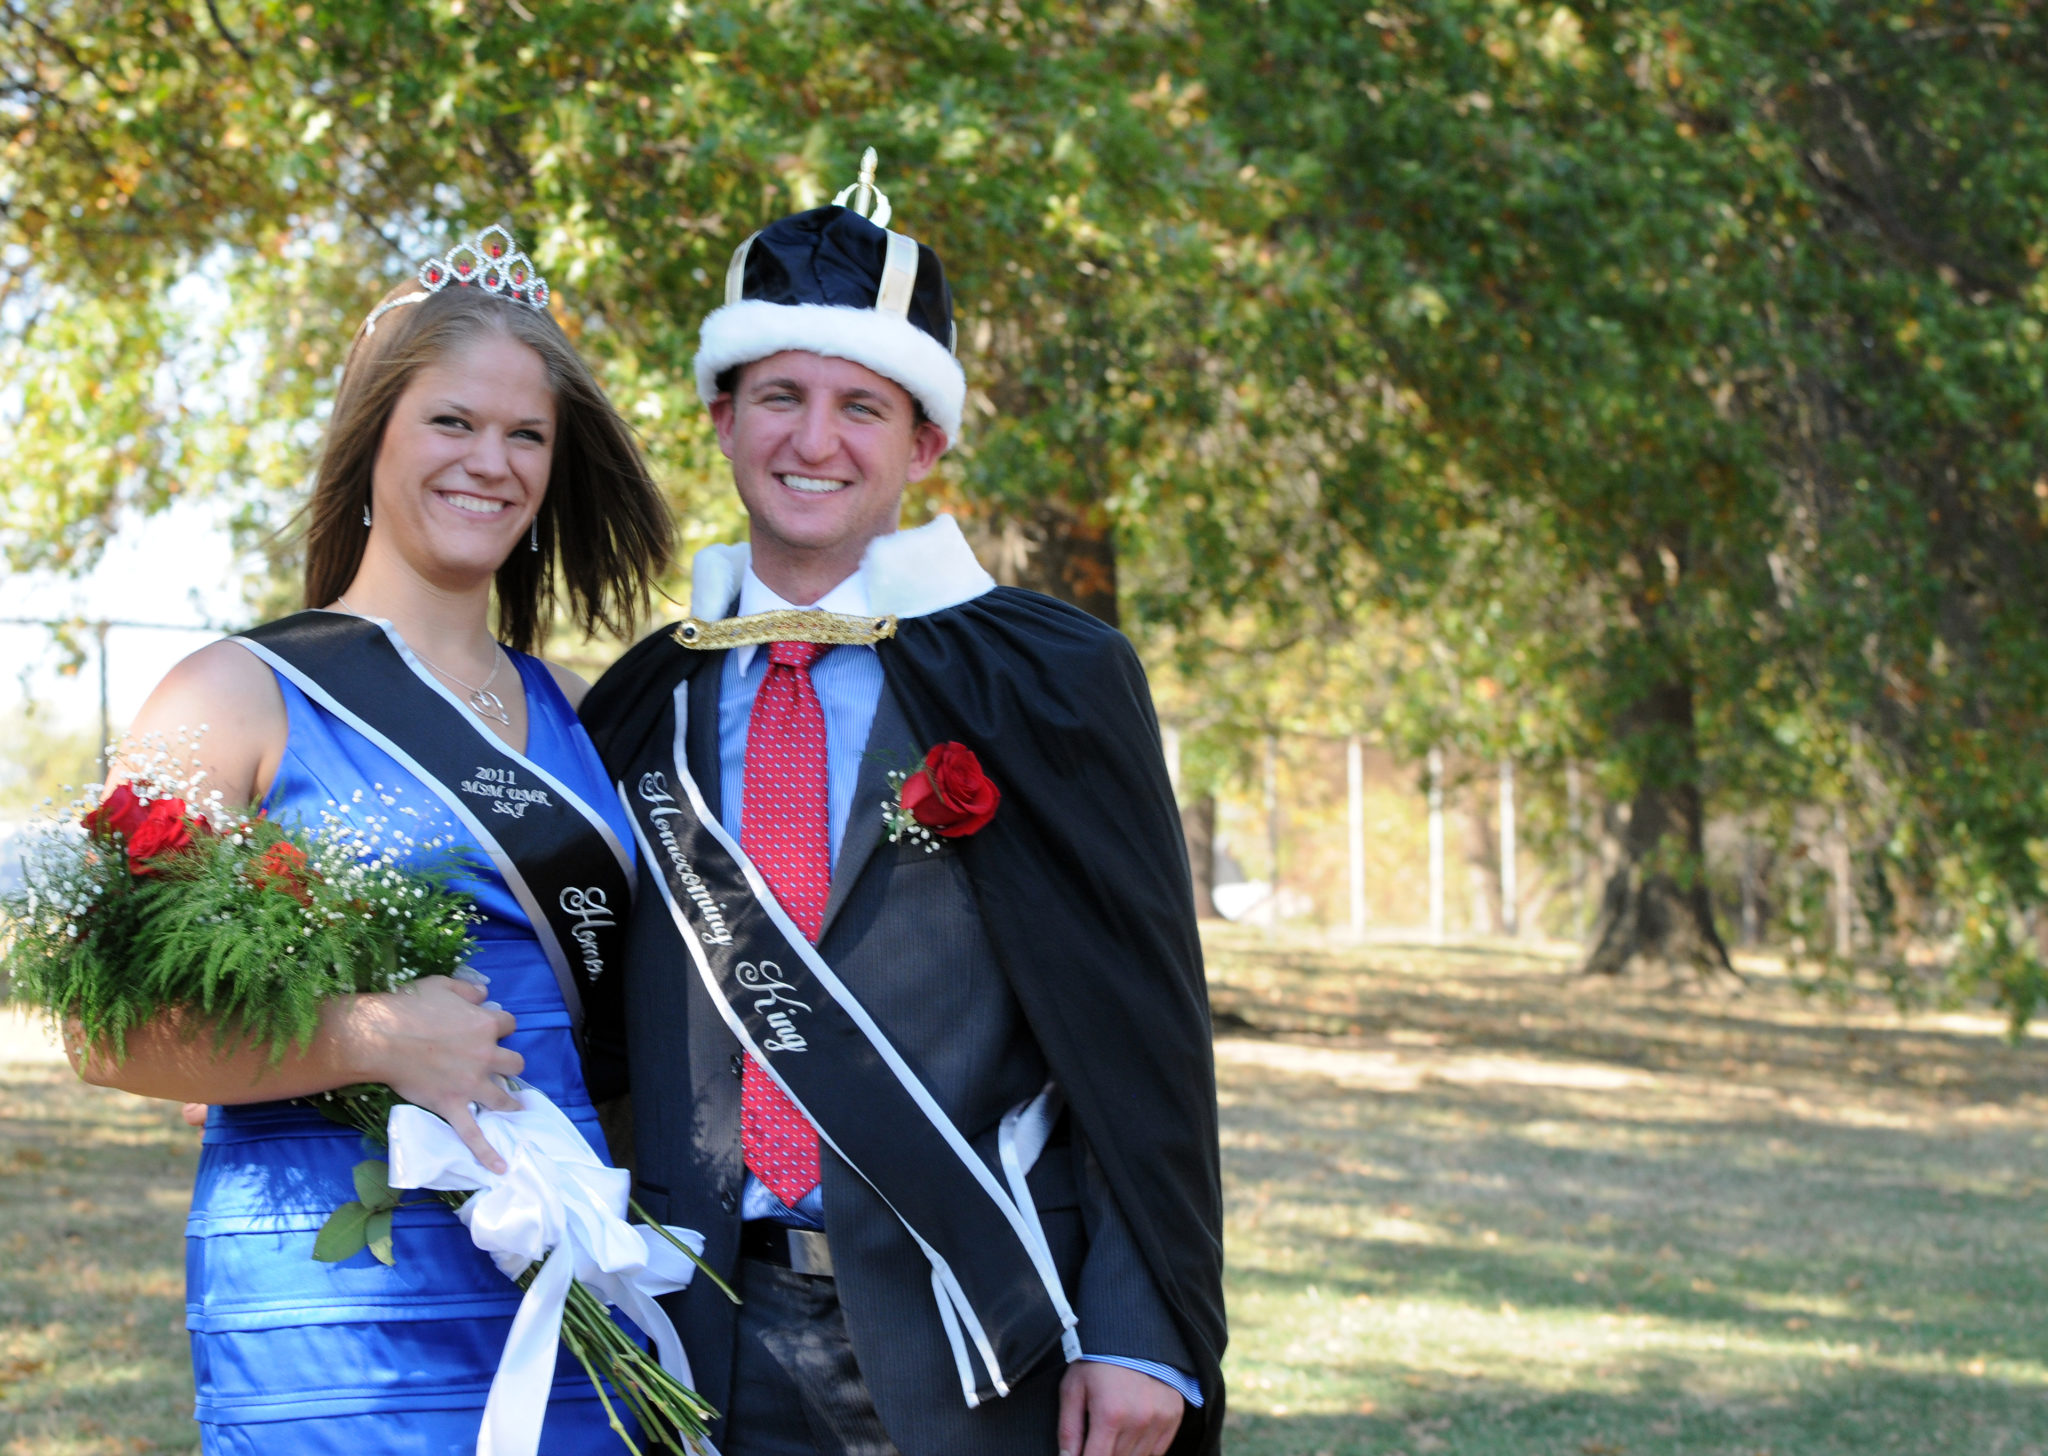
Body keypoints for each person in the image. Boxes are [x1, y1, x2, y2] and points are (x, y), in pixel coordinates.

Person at [580, 156, 1226, 1456]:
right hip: (693, 1325)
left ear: (924, 441)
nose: (813, 441)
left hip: (977, 1333)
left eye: (860, 406)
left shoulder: (1048, 679)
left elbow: (1136, 1031)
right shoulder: (643, 695)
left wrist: (1140, 1326)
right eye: (779, 397)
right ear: (720, 415)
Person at [72, 225, 671, 1454]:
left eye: (525, 435)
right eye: (450, 422)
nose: (489, 462)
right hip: (336, 1310)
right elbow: (105, 1025)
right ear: (372, 441)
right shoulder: (229, 693)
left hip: (557, 1272)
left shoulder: (561, 709)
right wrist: (367, 1035)